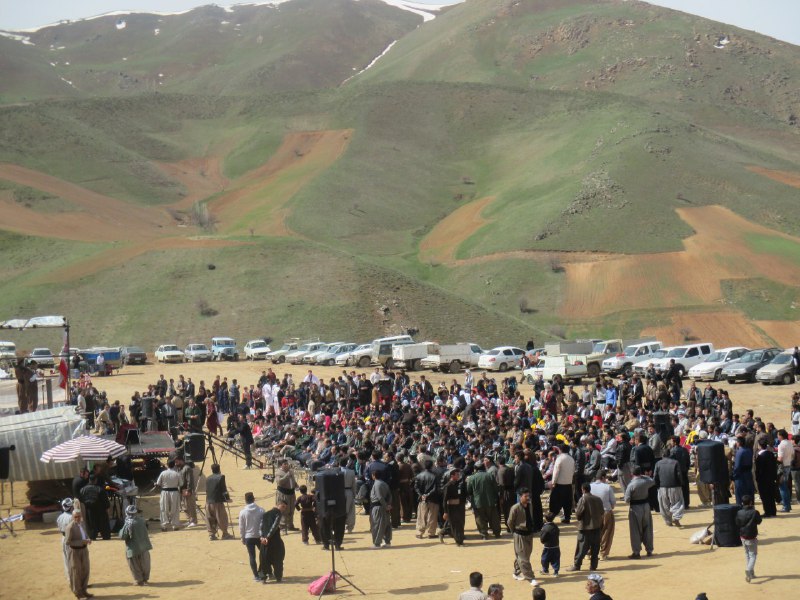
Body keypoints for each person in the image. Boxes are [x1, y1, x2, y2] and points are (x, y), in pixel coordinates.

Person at [567, 482, 604, 572]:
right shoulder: (598, 499)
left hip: (585, 528)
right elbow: (602, 512)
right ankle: (593, 566)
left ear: (583, 489)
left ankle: (577, 565)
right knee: (595, 549)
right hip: (596, 527)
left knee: (581, 548)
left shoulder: (583, 499)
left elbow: (578, 514)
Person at [508, 487, 538, 586]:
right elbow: (510, 522)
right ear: (520, 497)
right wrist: (514, 532)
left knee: (525, 555)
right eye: (525, 496)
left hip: (529, 534)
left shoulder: (530, 505)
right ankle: (531, 578)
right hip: (519, 534)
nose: (528, 497)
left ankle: (516, 571)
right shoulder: (515, 508)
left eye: (528, 495)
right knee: (523, 557)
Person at [623, 466, 654, 559]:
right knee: (648, 528)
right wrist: (644, 476)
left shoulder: (631, 485)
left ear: (632, 474)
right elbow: (652, 480)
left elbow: (627, 499)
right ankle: (649, 550)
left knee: (635, 530)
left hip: (635, 508)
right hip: (646, 506)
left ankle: (636, 552)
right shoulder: (646, 481)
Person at [119, 504, 152, 586]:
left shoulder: (128, 523)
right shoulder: (142, 520)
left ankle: (139, 580)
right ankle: (145, 579)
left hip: (133, 549)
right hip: (144, 546)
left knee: (134, 565)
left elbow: (122, 536)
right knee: (145, 564)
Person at [64, 502, 92, 599]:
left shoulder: (82, 524)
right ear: (72, 517)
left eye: (79, 516)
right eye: (76, 517)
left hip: (84, 550)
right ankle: (78, 593)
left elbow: (85, 534)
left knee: (85, 570)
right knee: (76, 572)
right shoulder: (70, 527)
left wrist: (88, 539)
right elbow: (67, 542)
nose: (77, 518)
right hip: (74, 552)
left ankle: (84, 590)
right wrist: (82, 541)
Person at [467, 463, 501, 539]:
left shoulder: (472, 478)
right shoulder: (490, 475)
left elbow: (469, 491)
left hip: (477, 502)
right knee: (493, 518)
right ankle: (497, 533)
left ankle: (484, 535)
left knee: (480, 519)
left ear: (475, 469)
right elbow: (496, 488)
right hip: (490, 501)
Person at [259, 499, 288, 583]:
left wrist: (262, 537)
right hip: (274, 540)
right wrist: (267, 537)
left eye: (285, 508)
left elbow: (260, 527)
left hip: (264, 541)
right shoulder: (278, 513)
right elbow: (274, 526)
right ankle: (278, 577)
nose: (283, 509)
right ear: (278, 505)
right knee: (278, 559)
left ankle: (263, 578)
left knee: (264, 559)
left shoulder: (265, 514)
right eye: (283, 506)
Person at [653, 450, 684, 527]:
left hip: (662, 486)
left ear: (662, 455)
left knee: (664, 505)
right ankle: (676, 517)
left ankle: (668, 521)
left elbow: (655, 476)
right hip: (675, 486)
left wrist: (657, 486)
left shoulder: (658, 463)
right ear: (670, 454)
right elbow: (679, 475)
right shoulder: (675, 462)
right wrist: (681, 483)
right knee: (678, 502)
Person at [735, 494, 762, 582]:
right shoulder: (754, 512)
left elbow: (737, 523)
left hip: (742, 536)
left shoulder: (739, 512)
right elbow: (759, 521)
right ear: (751, 502)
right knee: (753, 555)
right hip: (751, 536)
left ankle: (751, 573)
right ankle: (748, 570)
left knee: (747, 554)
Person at [239, 492, 265, 581]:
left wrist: (242, 537)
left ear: (245, 500)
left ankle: (256, 575)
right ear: (254, 499)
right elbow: (264, 524)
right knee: (263, 554)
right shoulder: (261, 510)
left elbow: (241, 527)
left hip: (248, 537)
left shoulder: (242, 512)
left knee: (252, 557)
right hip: (259, 536)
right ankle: (262, 571)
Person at [589, 470, 615, 559]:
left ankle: (589, 553)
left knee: (592, 533)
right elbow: (613, 503)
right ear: (603, 477)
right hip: (605, 511)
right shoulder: (607, 487)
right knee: (606, 533)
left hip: (592, 513)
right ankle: (603, 553)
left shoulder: (590, 486)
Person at [206, 463, 233, 540]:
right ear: (219, 469)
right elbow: (224, 490)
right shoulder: (221, 477)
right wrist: (227, 498)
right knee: (222, 518)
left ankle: (212, 534)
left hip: (208, 501)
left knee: (210, 518)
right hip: (217, 502)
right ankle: (225, 534)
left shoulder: (208, 478)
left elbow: (207, 490)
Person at [549, 446, 575, 524]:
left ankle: (551, 517)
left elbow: (556, 471)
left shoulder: (559, 458)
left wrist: (553, 482)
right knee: (567, 502)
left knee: (555, 501)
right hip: (568, 483)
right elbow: (573, 470)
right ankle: (567, 518)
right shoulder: (571, 459)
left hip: (559, 483)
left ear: (560, 450)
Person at [414, 459, 440, 539]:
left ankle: (419, 532)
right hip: (433, 499)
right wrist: (427, 495)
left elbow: (416, 487)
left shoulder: (419, 476)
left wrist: (422, 495)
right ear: (432, 466)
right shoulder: (435, 476)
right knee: (432, 516)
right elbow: (435, 488)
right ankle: (431, 533)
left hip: (422, 499)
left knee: (421, 516)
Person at [441, 467, 467, 545]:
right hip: (452, 508)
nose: (458, 475)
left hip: (459, 507)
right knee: (455, 524)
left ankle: (460, 539)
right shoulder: (448, 486)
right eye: (456, 474)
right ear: (452, 476)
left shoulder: (458, 484)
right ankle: (459, 541)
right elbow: (445, 500)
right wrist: (445, 512)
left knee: (460, 523)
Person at [155, 460, 182, 531]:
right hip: (174, 492)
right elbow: (181, 484)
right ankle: (175, 525)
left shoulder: (163, 473)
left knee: (164, 508)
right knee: (175, 508)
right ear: (174, 465)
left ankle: (164, 526)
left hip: (165, 492)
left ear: (167, 465)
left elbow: (158, 483)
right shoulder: (177, 474)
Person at [754, 438, 778, 517]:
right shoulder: (770, 454)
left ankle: (767, 512)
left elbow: (758, 470)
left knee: (765, 496)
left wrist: (757, 478)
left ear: (760, 446)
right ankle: (773, 511)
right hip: (771, 478)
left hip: (763, 479)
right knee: (771, 495)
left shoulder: (760, 456)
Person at [369, 470, 392, 548]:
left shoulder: (377, 484)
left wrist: (386, 506)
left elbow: (379, 497)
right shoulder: (384, 483)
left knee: (377, 525)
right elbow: (389, 495)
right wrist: (388, 504)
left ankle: (377, 543)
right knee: (386, 525)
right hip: (384, 506)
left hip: (378, 507)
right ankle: (387, 542)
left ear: (374, 476)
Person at [275, 460, 298, 533]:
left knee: (291, 509)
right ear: (281, 465)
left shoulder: (290, 471)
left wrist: (296, 485)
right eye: (285, 464)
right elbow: (279, 482)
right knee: (284, 510)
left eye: (287, 464)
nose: (286, 465)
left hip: (291, 493)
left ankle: (290, 525)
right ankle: (282, 527)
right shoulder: (278, 472)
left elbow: (293, 480)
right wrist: (286, 475)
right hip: (283, 493)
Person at [176, 455, 198, 528]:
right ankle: (189, 520)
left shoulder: (187, 468)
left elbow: (190, 480)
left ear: (181, 460)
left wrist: (189, 490)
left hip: (187, 490)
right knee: (185, 507)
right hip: (181, 490)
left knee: (190, 506)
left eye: (177, 461)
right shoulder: (179, 469)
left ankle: (194, 521)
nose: (176, 463)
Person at [775, 429, 793, 512]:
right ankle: (788, 505)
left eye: (778, 435)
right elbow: (792, 455)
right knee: (786, 487)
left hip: (782, 467)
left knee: (782, 487)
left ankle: (786, 506)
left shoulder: (781, 445)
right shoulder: (789, 443)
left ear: (781, 436)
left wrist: (775, 459)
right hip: (788, 465)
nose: (777, 436)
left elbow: (780, 458)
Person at [57, 498, 74, 580]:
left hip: (63, 538)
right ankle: (74, 577)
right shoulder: (72, 517)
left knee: (66, 558)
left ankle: (69, 577)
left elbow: (59, 528)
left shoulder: (60, 517)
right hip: (72, 539)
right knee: (73, 559)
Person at [539, 512, 560, 578]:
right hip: (556, 546)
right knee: (556, 559)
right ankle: (556, 572)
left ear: (545, 519)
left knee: (545, 559)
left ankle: (545, 570)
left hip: (547, 547)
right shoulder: (555, 526)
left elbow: (542, 538)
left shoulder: (545, 528)